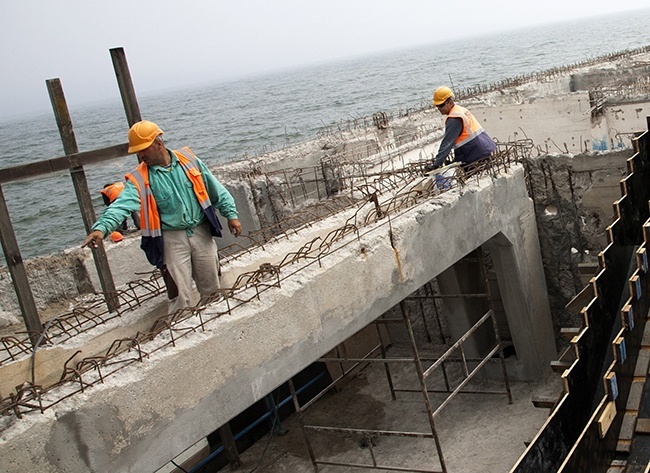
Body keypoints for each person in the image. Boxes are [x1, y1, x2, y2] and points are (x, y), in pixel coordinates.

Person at [83, 120, 242, 313]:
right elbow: (121, 205)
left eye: (144, 150)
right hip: (171, 239)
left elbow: (215, 188)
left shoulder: (188, 160)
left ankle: (217, 321)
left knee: (212, 286)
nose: (141, 156)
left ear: (159, 144)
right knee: (179, 295)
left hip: (201, 231)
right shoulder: (140, 178)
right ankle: (183, 330)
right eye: (137, 152)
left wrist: (231, 215)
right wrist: (101, 228)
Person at [429, 86, 496, 174]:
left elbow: (447, 143)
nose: (439, 108)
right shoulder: (460, 110)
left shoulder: (454, 118)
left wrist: (436, 164)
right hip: (483, 149)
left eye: (441, 105)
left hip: (474, 155)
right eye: (437, 106)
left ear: (449, 102)